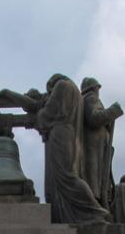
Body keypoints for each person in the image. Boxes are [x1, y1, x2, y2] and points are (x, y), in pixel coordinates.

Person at [36, 74, 111, 225]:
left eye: (50, 92)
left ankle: (94, 211)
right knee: (66, 178)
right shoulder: (76, 94)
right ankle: (85, 212)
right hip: (69, 136)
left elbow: (49, 113)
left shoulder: (62, 86)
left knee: (66, 177)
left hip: (59, 136)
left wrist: (39, 116)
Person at [80, 77, 123, 211]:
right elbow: (94, 119)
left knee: (99, 176)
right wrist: (113, 111)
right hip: (94, 146)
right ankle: (96, 202)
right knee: (95, 176)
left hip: (97, 145)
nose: (98, 91)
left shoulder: (86, 100)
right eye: (98, 88)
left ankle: (99, 201)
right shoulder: (90, 98)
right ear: (94, 88)